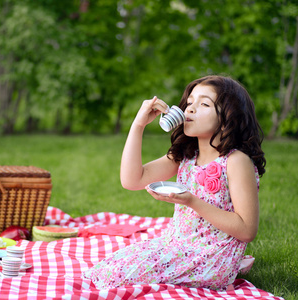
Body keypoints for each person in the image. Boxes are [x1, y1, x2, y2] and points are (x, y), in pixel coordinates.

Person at [82, 75, 266, 291]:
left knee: (118, 278)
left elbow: (246, 230)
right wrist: (138, 124)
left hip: (211, 257)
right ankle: (240, 264)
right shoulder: (186, 155)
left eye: (204, 104)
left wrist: (191, 201)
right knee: (106, 268)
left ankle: (233, 265)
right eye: (189, 103)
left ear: (229, 116)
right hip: (178, 244)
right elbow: (132, 180)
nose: (190, 109)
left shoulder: (236, 161)